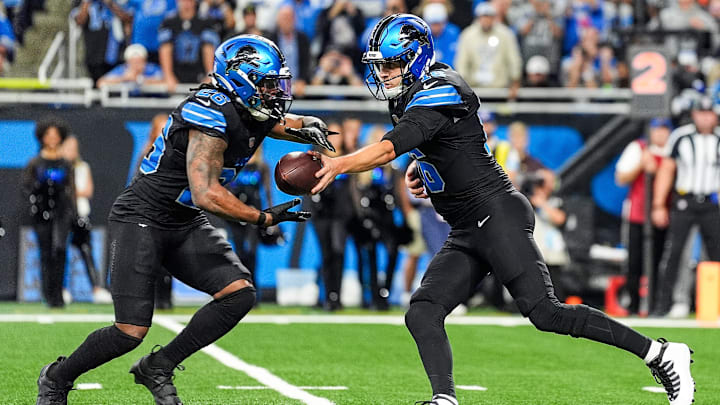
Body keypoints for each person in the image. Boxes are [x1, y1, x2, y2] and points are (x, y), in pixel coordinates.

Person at [311, 14, 696, 405]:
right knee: (423, 311)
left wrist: (338, 164)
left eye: (391, 64)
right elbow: (441, 145)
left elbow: (390, 147)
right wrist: (421, 168)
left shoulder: (440, 90)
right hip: (467, 226)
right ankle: (444, 399)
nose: (385, 74)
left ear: (416, 57)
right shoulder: (414, 94)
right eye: (380, 66)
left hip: (496, 213)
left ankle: (662, 354)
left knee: (546, 313)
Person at [36, 35, 336, 405]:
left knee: (238, 295)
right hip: (142, 216)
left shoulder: (248, 105)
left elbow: (267, 122)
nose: (276, 92)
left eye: (278, 83)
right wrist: (262, 217)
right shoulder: (209, 111)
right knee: (129, 331)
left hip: (181, 220)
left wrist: (303, 124)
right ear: (241, 79)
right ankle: (56, 377)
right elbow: (206, 193)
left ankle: (158, 366)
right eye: (269, 83)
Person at [651, 96, 720, 318]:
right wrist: (659, 204)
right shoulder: (681, 137)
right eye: (701, 113)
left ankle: (713, 305)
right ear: (694, 114)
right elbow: (667, 170)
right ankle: (664, 305)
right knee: (675, 252)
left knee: (716, 253)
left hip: (712, 201)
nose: (705, 118)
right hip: (684, 201)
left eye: (709, 113)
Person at [615, 117, 671, 315]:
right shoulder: (638, 148)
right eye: (657, 130)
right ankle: (634, 304)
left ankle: (656, 305)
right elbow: (621, 177)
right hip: (637, 214)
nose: (661, 134)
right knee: (634, 262)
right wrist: (641, 164)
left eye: (664, 130)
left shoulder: (673, 150)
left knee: (658, 261)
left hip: (664, 214)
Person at [22, 118, 75, 308]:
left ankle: (58, 294)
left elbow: (71, 189)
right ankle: (48, 295)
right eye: (48, 135)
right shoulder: (35, 163)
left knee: (60, 250)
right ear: (42, 137)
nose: (52, 139)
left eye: (55, 135)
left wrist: (73, 214)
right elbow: (26, 189)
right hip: (42, 213)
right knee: (45, 253)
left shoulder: (66, 163)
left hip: (61, 212)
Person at [61, 135, 113, 304]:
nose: (71, 151)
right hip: (63, 215)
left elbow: (87, 191)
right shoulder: (59, 167)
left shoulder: (83, 167)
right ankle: (62, 289)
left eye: (73, 148)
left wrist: (71, 192)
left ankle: (96, 289)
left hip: (81, 215)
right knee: (62, 252)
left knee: (87, 251)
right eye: (68, 147)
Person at [308, 121, 353, 311]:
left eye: (338, 134)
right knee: (327, 254)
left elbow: (353, 189)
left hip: (341, 214)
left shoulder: (348, 158)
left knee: (338, 252)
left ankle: (336, 296)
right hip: (321, 213)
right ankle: (327, 295)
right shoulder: (316, 158)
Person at [455, 3, 522, 98]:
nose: (486, 20)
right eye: (483, 17)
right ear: (478, 18)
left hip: (500, 89)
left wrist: (515, 80)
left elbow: (513, 59)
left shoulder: (506, 34)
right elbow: (462, 62)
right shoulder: (468, 35)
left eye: (489, 17)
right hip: (474, 89)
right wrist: (462, 85)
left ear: (494, 18)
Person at [158, 0, 219, 91]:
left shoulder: (206, 22)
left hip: (198, 71)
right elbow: (165, 48)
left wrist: (209, 74)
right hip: (177, 71)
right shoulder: (169, 21)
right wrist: (168, 75)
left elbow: (208, 48)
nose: (187, 3)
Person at [71, 0, 133, 85]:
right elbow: (79, 21)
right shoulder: (80, 2)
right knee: (96, 90)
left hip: (116, 55)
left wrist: (110, 3)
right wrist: (86, 2)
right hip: (94, 55)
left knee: (116, 91)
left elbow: (128, 18)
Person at [96, 43, 165, 91]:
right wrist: (124, 78)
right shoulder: (122, 70)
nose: (136, 65)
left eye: (139, 61)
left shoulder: (151, 69)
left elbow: (166, 81)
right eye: (133, 62)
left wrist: (141, 79)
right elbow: (100, 83)